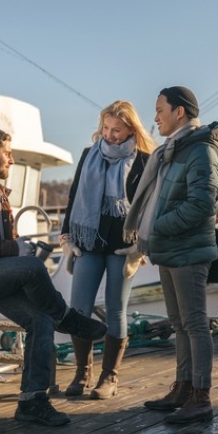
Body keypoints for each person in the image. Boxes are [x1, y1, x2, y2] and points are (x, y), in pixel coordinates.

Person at [0, 125, 108, 426]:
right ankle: (67, 318)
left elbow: (7, 241)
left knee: (40, 320)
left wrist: (19, 248)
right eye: (7, 153)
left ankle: (32, 401)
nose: (11, 160)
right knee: (33, 268)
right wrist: (16, 248)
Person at [122, 86, 218, 423]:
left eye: (160, 110)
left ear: (179, 112)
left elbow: (201, 204)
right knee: (179, 324)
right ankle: (183, 387)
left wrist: (158, 225)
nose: (155, 117)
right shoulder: (173, 150)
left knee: (195, 324)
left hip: (188, 250)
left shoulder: (200, 151)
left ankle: (202, 396)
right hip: (169, 249)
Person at [59, 100, 157, 400]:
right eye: (106, 128)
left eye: (117, 130)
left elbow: (147, 207)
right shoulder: (90, 155)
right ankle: (82, 372)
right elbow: (76, 194)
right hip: (88, 243)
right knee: (78, 309)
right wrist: (67, 235)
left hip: (122, 248)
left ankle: (109, 377)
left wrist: (140, 248)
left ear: (131, 129)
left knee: (116, 309)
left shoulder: (143, 160)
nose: (110, 135)